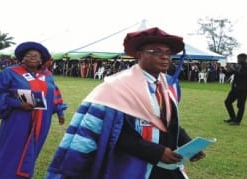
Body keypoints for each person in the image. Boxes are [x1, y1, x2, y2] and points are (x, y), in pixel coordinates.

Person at [45, 27, 205, 179]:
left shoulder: (169, 85)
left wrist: (186, 142)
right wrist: (155, 152)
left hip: (167, 166)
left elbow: (167, 123)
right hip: (131, 166)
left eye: (168, 53)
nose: (165, 57)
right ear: (139, 54)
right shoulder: (116, 87)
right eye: (156, 52)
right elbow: (111, 132)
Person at [0, 41, 67, 178]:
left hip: (42, 121)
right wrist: (18, 104)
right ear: (22, 58)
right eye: (28, 55)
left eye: (35, 56)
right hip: (18, 120)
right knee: (11, 148)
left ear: (41, 60)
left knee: (32, 149)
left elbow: (54, 93)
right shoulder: (11, 73)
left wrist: (60, 110)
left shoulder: (47, 75)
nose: (31, 57)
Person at [223, 53, 247, 125]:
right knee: (227, 102)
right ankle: (233, 117)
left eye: (239, 58)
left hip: (243, 89)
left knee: (240, 105)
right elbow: (229, 73)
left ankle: (237, 121)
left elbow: (243, 75)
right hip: (235, 88)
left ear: (244, 59)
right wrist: (224, 69)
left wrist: (233, 69)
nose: (237, 60)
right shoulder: (237, 66)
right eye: (237, 58)